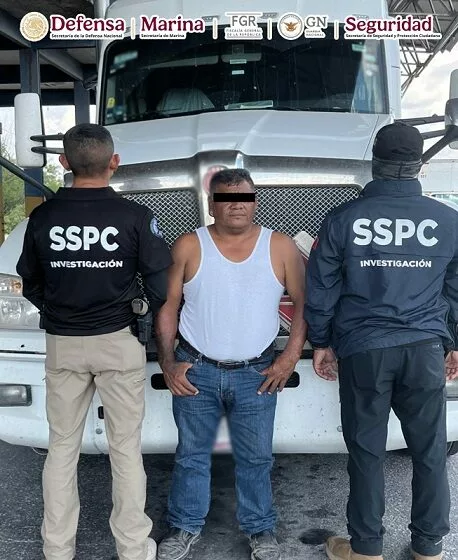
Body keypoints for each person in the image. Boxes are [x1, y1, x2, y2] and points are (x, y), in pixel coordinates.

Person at [16, 123, 173, 560]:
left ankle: (57, 549)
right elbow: (160, 283)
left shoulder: (42, 217)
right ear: (114, 162)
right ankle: (133, 548)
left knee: (61, 447)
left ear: (64, 162)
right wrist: (137, 306)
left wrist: (57, 310)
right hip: (117, 341)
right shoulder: (135, 216)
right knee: (125, 450)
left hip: (62, 343)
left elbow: (30, 280)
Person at [305, 122, 458, 560]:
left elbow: (322, 285)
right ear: (420, 166)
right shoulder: (448, 220)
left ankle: (366, 548)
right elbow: (455, 287)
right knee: (429, 450)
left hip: (364, 348)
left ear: (374, 163)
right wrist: (454, 342)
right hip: (424, 348)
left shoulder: (343, 218)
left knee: (366, 451)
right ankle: (428, 547)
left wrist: (321, 340)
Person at [155, 168, 306, 560]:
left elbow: (304, 305)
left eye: (244, 197)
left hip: (257, 373)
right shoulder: (189, 245)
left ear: (255, 202)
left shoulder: (280, 246)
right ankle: (184, 526)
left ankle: (261, 529)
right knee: (191, 456)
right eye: (225, 198)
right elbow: (168, 306)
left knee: (256, 458)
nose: (236, 205)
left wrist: (289, 357)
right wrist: (168, 362)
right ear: (211, 204)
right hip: (195, 370)